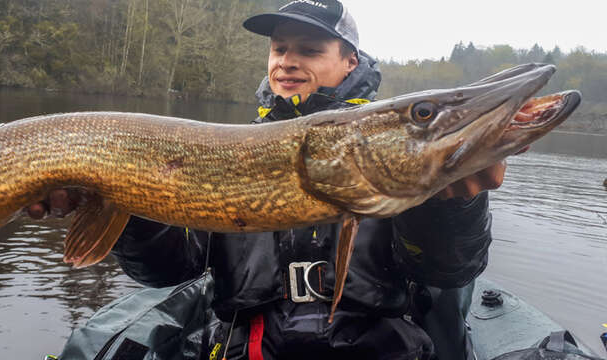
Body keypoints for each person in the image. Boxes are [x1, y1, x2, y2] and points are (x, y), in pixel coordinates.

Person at [30, 1, 507, 359]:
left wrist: (454, 207)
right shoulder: (228, 148)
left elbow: (447, 273)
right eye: (279, 48)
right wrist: (123, 201)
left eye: (310, 50)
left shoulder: (393, 148)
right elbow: (168, 271)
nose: (287, 61)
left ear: (350, 63)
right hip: (249, 348)